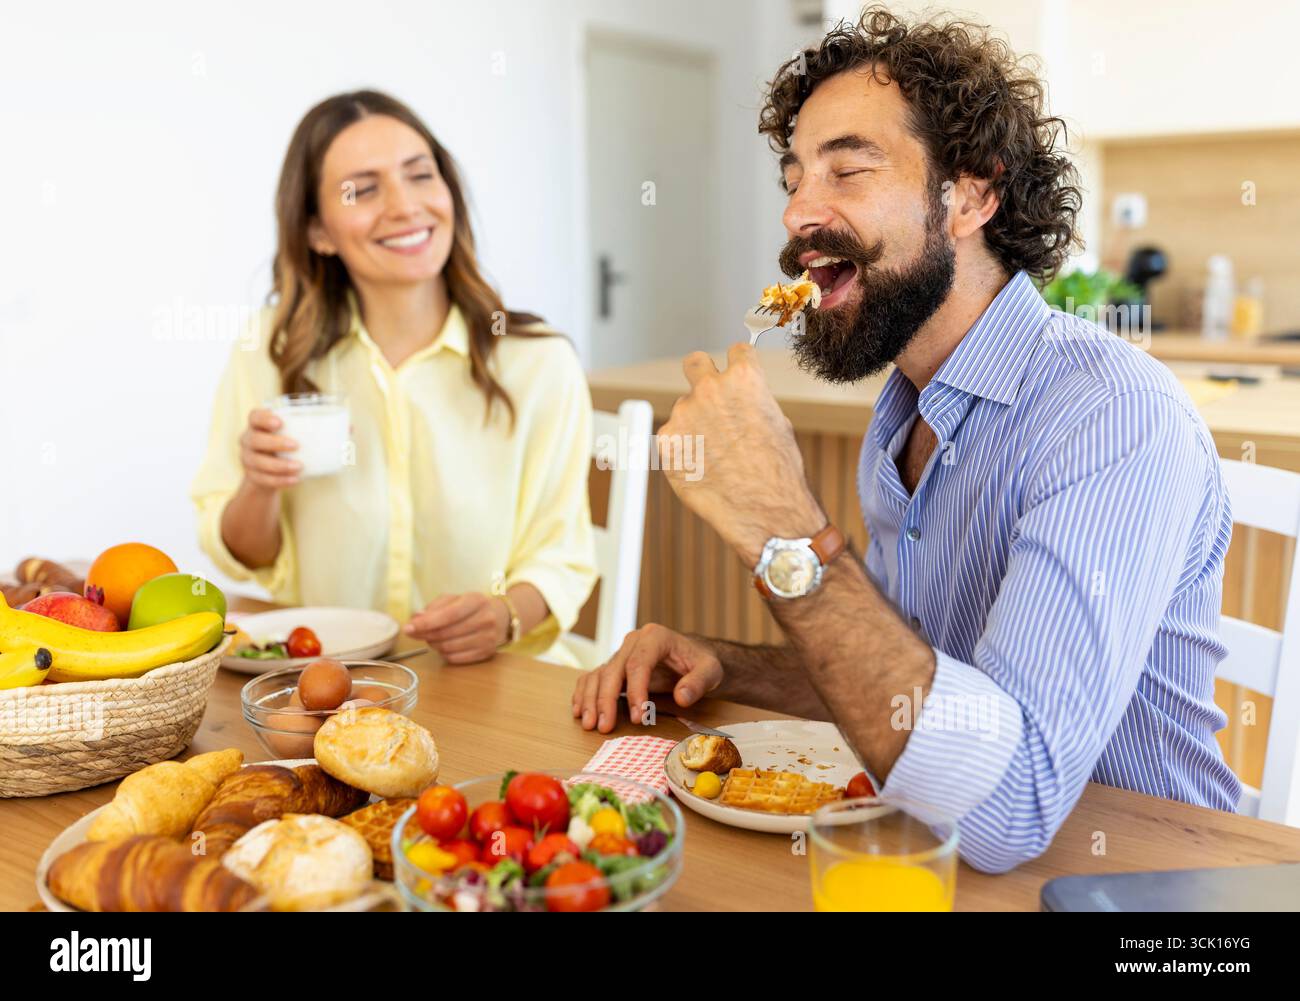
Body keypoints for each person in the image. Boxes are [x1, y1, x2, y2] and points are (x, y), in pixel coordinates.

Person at [572, 8, 1240, 872]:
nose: (799, 213)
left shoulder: (1108, 416)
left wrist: (782, 522)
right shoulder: (902, 409)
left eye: (847, 169)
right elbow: (913, 685)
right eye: (794, 176)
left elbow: (1011, 802)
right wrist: (729, 666)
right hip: (941, 857)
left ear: (972, 194)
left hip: (1141, 881)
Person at [192, 90, 596, 666]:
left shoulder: (536, 362)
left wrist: (502, 617)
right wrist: (259, 485)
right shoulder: (272, 350)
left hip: (493, 684)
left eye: (420, 175)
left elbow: (561, 557)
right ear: (317, 231)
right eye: (364, 188)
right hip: (327, 683)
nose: (406, 207)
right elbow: (245, 555)